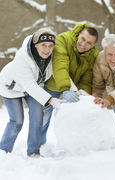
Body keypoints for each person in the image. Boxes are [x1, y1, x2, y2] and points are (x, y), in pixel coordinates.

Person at [0, 27, 63, 157]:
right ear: (35, 45)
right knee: (17, 121)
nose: (47, 49)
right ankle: (3, 152)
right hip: (11, 87)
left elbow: (62, 73)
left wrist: (74, 90)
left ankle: (33, 152)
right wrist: (51, 100)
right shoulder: (22, 57)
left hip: (33, 87)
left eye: (51, 46)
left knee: (38, 115)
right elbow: (29, 85)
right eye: (43, 45)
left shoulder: (52, 57)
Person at [42, 24, 99, 145]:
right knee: (42, 118)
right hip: (53, 85)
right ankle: (38, 145)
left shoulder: (92, 55)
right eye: (83, 39)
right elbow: (60, 65)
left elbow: (87, 77)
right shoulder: (63, 40)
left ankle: (73, 144)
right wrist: (65, 89)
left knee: (73, 117)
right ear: (78, 35)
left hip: (73, 91)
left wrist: (84, 93)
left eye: (89, 43)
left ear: (93, 45)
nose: (84, 45)